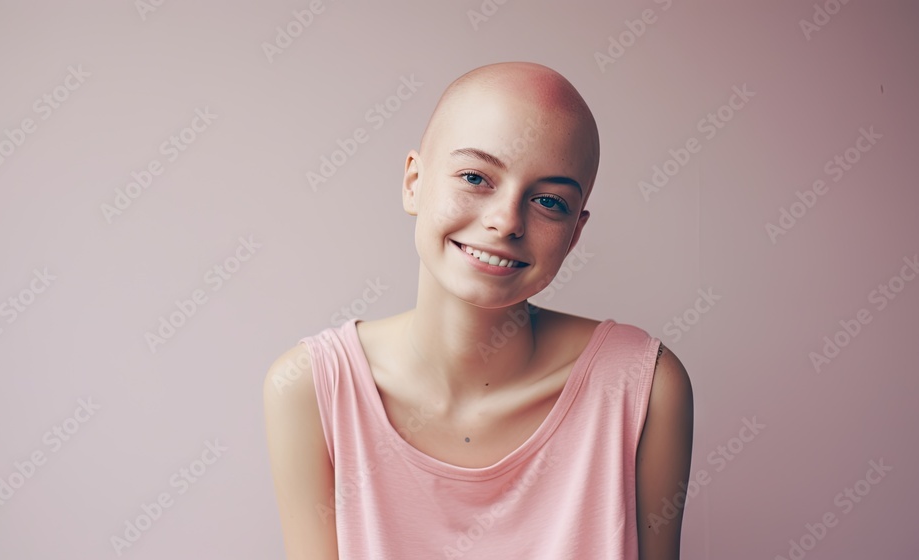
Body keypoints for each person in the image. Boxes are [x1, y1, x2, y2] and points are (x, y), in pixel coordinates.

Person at [264, 61, 694, 559]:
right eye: (475, 177)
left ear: (575, 232)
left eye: (550, 202)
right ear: (413, 183)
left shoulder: (644, 386)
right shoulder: (309, 388)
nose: (506, 221)